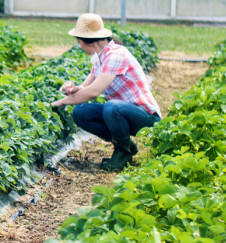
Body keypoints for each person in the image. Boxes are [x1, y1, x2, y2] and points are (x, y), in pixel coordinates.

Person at [51, 13, 161, 171]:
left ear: (88, 42)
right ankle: (126, 145)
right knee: (81, 112)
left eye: (79, 41)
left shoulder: (115, 55)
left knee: (112, 107)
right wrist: (73, 89)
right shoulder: (100, 57)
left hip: (146, 117)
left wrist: (62, 102)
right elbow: (86, 88)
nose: (79, 45)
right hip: (123, 113)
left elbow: (93, 92)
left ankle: (123, 153)